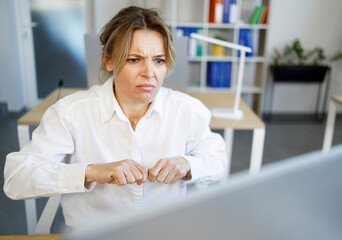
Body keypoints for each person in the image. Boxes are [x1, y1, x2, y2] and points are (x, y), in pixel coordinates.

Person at [3, 6, 227, 228]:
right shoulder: (71, 112)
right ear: (109, 61)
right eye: (134, 59)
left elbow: (218, 161)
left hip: (165, 230)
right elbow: (17, 177)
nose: (149, 73)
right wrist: (91, 171)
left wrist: (188, 164)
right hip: (96, 233)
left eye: (158, 60)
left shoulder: (186, 109)